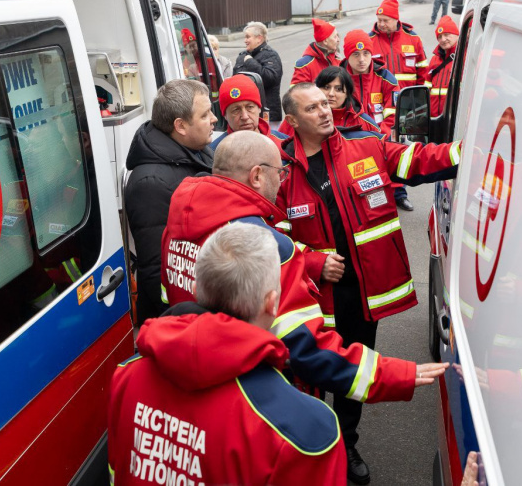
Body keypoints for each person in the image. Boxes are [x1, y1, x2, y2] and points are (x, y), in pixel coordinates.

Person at [162, 130, 448, 485]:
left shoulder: (181, 221)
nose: (281, 180)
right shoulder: (264, 246)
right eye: (279, 173)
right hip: (254, 392)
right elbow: (307, 350)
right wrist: (396, 374)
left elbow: (172, 300)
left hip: (194, 377)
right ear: (256, 176)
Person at [278, 83, 460, 484]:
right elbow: (268, 237)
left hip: (361, 294)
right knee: (308, 378)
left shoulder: (367, 147)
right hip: (310, 299)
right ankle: (309, 451)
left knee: (352, 373)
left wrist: (473, 150)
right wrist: (312, 263)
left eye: (326, 104)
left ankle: (346, 443)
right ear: (292, 121)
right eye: (313, 108)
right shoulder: (278, 168)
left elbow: (420, 159)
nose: (325, 112)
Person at [109, 223, 347, 485]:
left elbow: (118, 470)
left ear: (198, 288)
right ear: (272, 303)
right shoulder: (307, 431)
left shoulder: (126, 374)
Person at [124, 79, 216, 325]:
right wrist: (189, 323)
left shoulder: (197, 150)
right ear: (181, 126)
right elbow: (157, 269)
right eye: (205, 114)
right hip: (178, 320)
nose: (214, 119)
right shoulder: (150, 183)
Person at [368, 0, 430, 211]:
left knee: (402, 150)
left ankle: (400, 193)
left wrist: (421, 101)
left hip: (407, 107)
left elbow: (423, 72)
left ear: (396, 19)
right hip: (379, 107)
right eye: (379, 19)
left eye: (385, 19)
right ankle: (381, 194)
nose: (381, 23)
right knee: (378, 149)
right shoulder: (370, 41)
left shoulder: (413, 39)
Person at [278, 65, 382, 137]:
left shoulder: (364, 122)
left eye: (338, 89)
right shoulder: (300, 118)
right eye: (326, 87)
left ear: (347, 94)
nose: (331, 94)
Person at [339, 29, 398, 137]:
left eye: (366, 53)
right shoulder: (338, 80)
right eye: (356, 54)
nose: (361, 59)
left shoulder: (386, 78)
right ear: (347, 56)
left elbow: (394, 115)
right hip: (349, 142)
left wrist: (380, 138)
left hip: (381, 140)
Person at [210, 74, 288, 150]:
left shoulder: (285, 144)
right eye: (236, 110)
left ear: (259, 108)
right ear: (225, 115)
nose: (245, 116)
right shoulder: (215, 153)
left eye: (250, 107)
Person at [233, 21, 284, 122]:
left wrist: (250, 62)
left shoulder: (271, 55)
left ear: (259, 38)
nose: (245, 40)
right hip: (244, 114)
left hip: (267, 114)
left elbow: (270, 79)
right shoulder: (242, 56)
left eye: (248, 37)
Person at [290, 18, 341, 86]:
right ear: (325, 41)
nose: (338, 40)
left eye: (338, 36)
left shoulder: (338, 60)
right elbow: (297, 93)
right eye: (335, 37)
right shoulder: (305, 65)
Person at [429, 16, 459, 117]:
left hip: (454, 119)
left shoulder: (463, 57)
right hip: (434, 119)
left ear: (456, 35)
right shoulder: (434, 60)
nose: (443, 39)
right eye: (440, 37)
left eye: (447, 35)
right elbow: (427, 87)